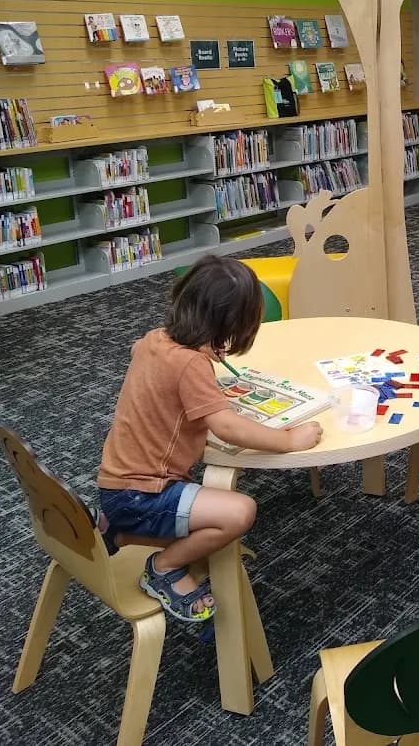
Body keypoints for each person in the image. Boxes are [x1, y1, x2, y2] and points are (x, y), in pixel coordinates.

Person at [97, 255, 323, 624]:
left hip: (117, 485)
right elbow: (227, 428)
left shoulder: (155, 339)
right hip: (144, 494)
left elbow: (139, 350)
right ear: (230, 324)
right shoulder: (190, 364)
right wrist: (289, 440)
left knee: (213, 518)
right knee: (239, 513)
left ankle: (119, 531)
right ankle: (163, 568)